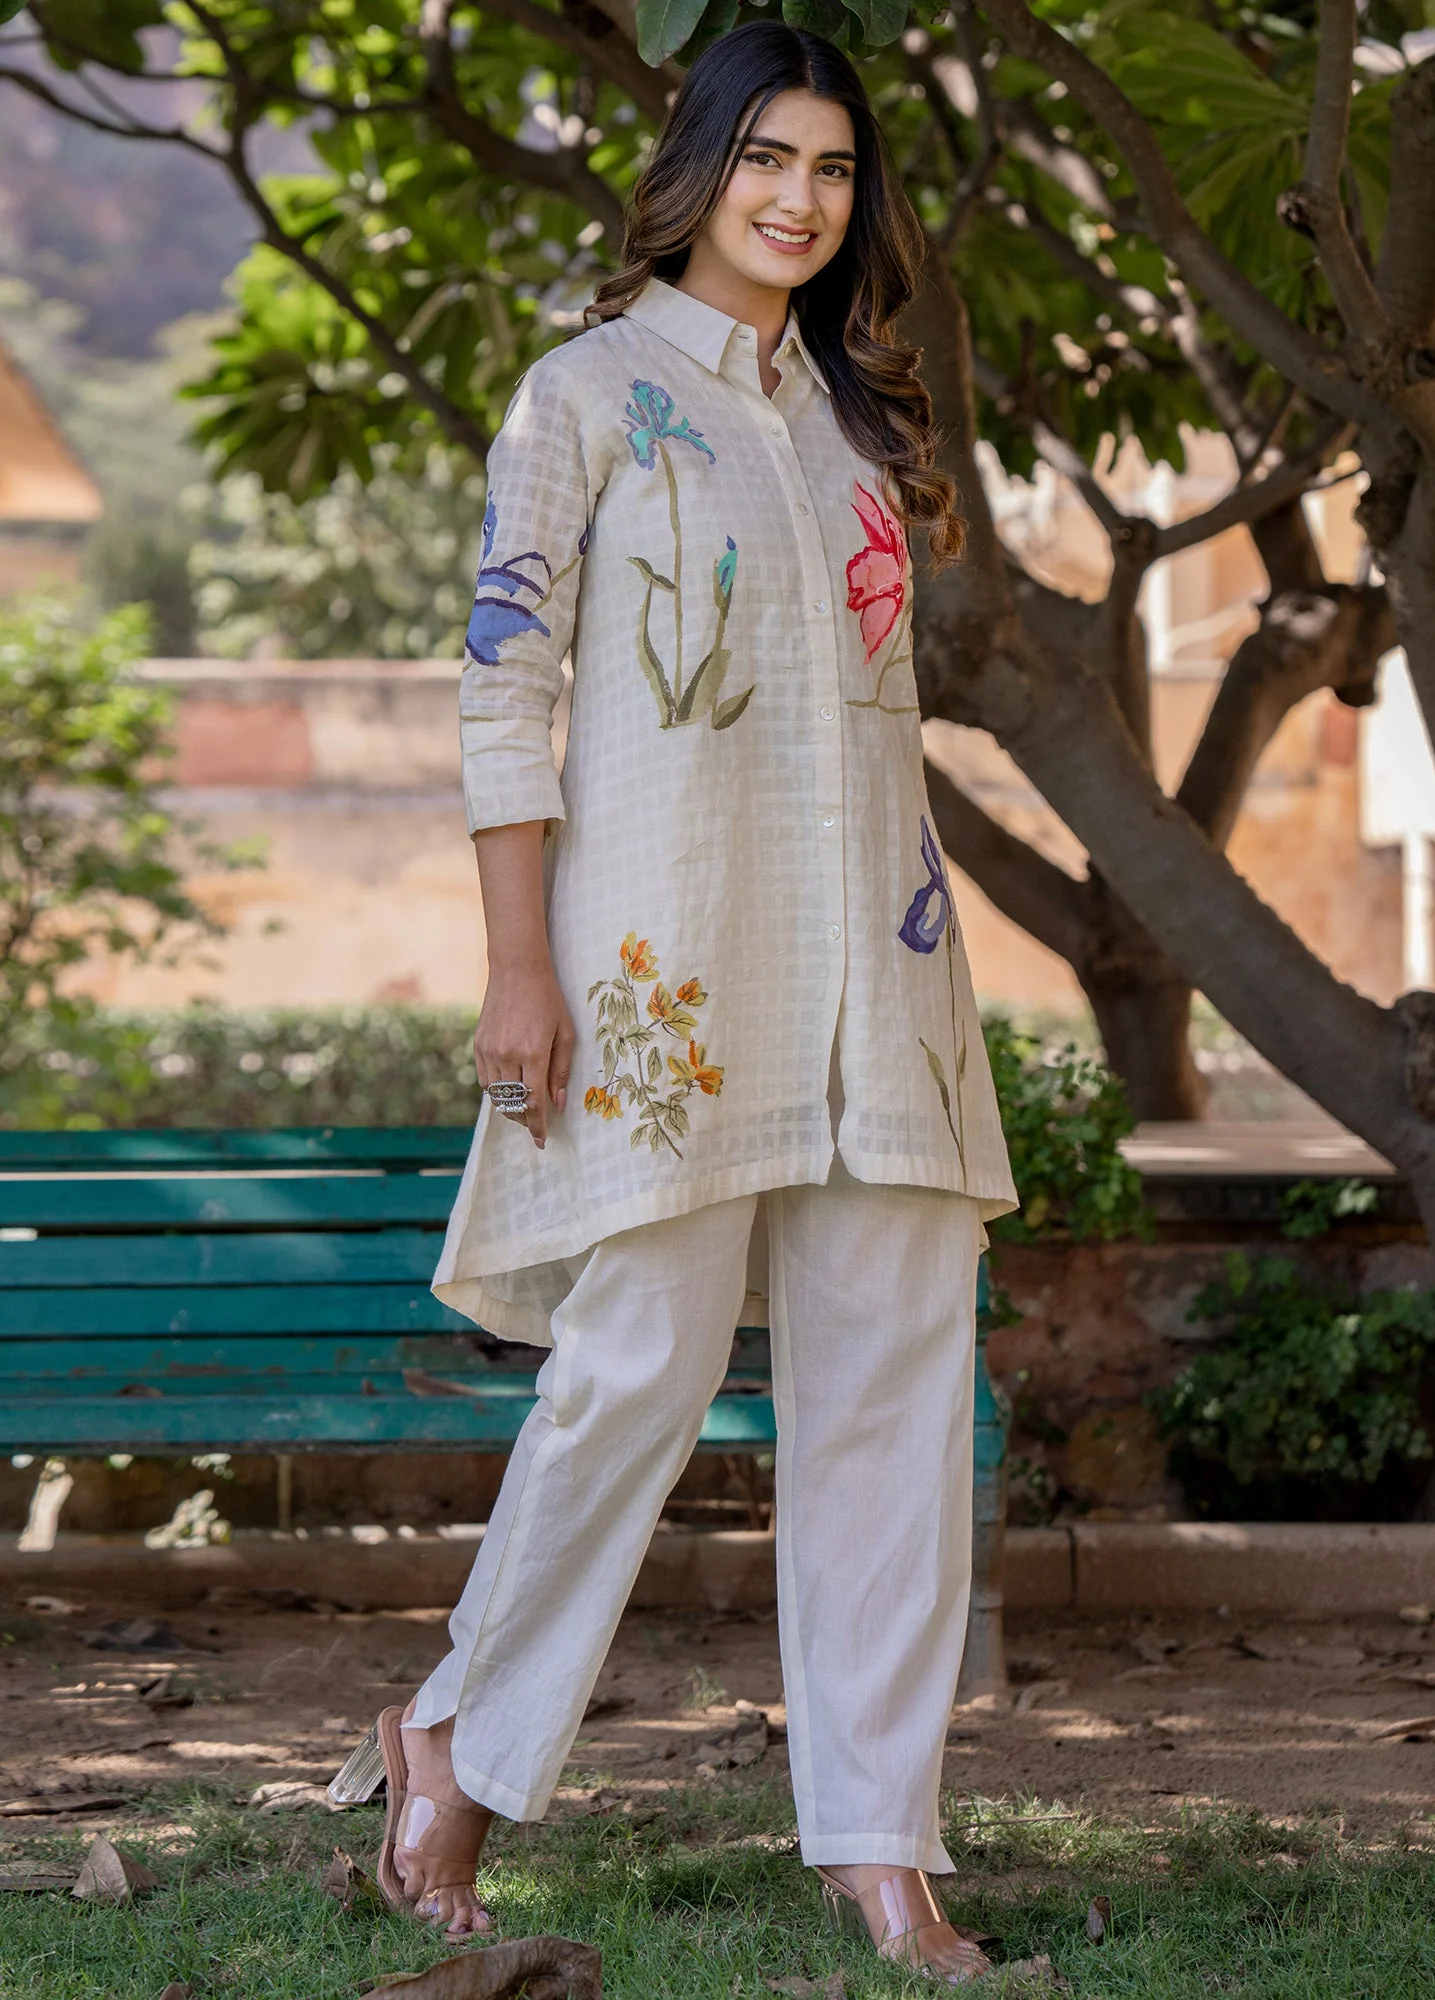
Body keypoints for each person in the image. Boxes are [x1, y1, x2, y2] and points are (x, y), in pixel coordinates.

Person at [332, 17, 1016, 1983]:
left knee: (896, 1393)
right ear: (701, 167)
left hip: (882, 978)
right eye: (767, 159)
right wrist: (517, 962)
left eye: (833, 168)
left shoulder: (856, 423)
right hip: (663, 972)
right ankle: (459, 1740)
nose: (800, 199)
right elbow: (506, 686)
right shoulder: (583, 397)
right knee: (631, 1366)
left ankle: (884, 1848)